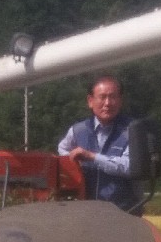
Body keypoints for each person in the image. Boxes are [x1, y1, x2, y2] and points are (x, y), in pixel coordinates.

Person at [57, 76, 145, 215]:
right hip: (85, 213)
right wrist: (74, 165)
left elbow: (130, 166)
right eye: (102, 97)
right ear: (90, 101)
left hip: (124, 213)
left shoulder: (133, 130)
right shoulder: (78, 130)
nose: (108, 103)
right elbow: (62, 149)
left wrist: (92, 157)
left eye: (113, 97)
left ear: (120, 101)